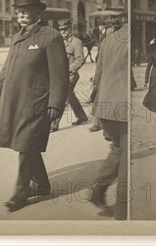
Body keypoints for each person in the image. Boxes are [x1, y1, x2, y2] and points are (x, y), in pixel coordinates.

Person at [0, 0, 69, 212]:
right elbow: (8, 66)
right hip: (15, 100)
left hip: (37, 102)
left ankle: (21, 191)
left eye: (26, 12)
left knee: (25, 143)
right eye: (19, 12)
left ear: (37, 13)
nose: (21, 16)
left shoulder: (50, 36)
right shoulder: (18, 36)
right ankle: (42, 184)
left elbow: (60, 74)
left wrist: (55, 103)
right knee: (26, 143)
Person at [88, 22, 129, 220]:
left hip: (106, 104)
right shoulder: (131, 38)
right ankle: (123, 209)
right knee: (126, 157)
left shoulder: (109, 38)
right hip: (123, 106)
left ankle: (97, 189)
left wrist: (96, 101)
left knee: (118, 149)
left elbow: (98, 73)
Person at [50, 19, 89, 132]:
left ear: (70, 29)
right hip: (59, 76)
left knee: (63, 98)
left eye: (65, 29)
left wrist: (69, 70)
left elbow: (80, 59)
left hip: (70, 76)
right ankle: (82, 116)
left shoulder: (76, 42)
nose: (63, 32)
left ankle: (54, 123)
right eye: (61, 30)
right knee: (70, 96)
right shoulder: (57, 41)